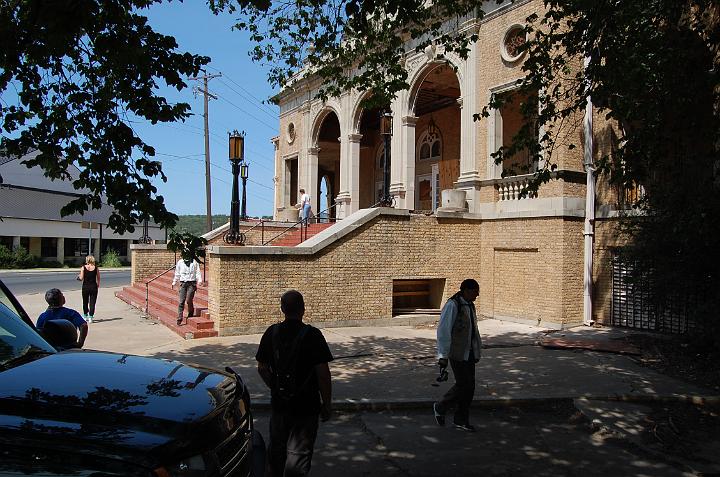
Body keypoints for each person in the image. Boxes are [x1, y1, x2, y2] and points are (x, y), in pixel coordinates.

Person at [256, 290, 333, 477]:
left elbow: (262, 368)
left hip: (280, 405)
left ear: (282, 309)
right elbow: (323, 374)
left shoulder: (272, 333)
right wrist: (327, 404)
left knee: (276, 451)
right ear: (303, 309)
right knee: (298, 456)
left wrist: (276, 387)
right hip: (307, 406)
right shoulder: (313, 335)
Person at [433, 278, 482, 432]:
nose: (477, 295)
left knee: (469, 387)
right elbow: (443, 331)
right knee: (464, 385)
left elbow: (473, 331)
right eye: (475, 292)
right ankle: (442, 407)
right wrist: (443, 356)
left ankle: (460, 418)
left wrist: (477, 350)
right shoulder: (453, 305)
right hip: (457, 353)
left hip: (470, 353)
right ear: (466, 291)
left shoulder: (470, 305)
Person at [171, 257, 202, 325]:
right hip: (183, 284)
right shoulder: (180, 262)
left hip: (191, 283)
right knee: (181, 301)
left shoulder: (194, 262)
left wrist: (199, 280)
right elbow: (177, 273)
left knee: (188, 300)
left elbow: (198, 272)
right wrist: (174, 282)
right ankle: (180, 317)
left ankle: (191, 311)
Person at [78, 255, 100, 323]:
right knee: (92, 302)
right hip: (93, 286)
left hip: (85, 287)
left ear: (87, 260)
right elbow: (98, 277)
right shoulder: (96, 268)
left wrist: (78, 277)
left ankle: (85, 316)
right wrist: (98, 284)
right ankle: (91, 317)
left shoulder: (83, 267)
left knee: (85, 302)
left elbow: (81, 278)